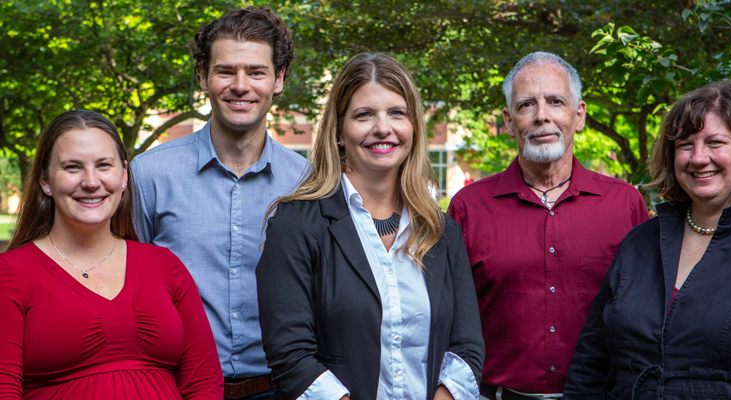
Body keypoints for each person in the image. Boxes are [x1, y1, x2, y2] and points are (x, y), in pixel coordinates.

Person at [256, 53, 485, 400]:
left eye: (397, 113)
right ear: (338, 131)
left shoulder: (442, 232)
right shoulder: (296, 225)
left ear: (413, 128)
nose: (383, 128)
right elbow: (291, 356)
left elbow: (467, 347)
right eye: (364, 115)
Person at [563, 81, 731, 399]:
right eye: (685, 144)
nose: (698, 158)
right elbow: (590, 366)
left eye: (716, 142)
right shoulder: (639, 244)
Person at [447, 52, 650, 399]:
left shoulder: (625, 205)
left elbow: (647, 315)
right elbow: (447, 322)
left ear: (579, 115)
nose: (542, 116)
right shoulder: (468, 209)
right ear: (509, 122)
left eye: (555, 101)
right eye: (527, 105)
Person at [131, 7, 308, 399]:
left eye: (256, 72)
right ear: (203, 76)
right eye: (226, 71)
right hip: (176, 387)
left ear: (278, 79)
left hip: (281, 388)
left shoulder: (308, 183)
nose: (240, 86)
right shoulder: (149, 175)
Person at [0, 110, 222, 399]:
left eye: (104, 165)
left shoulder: (164, 265)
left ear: (124, 175)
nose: (91, 182)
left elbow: (203, 382)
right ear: (45, 181)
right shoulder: (11, 274)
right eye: (72, 167)